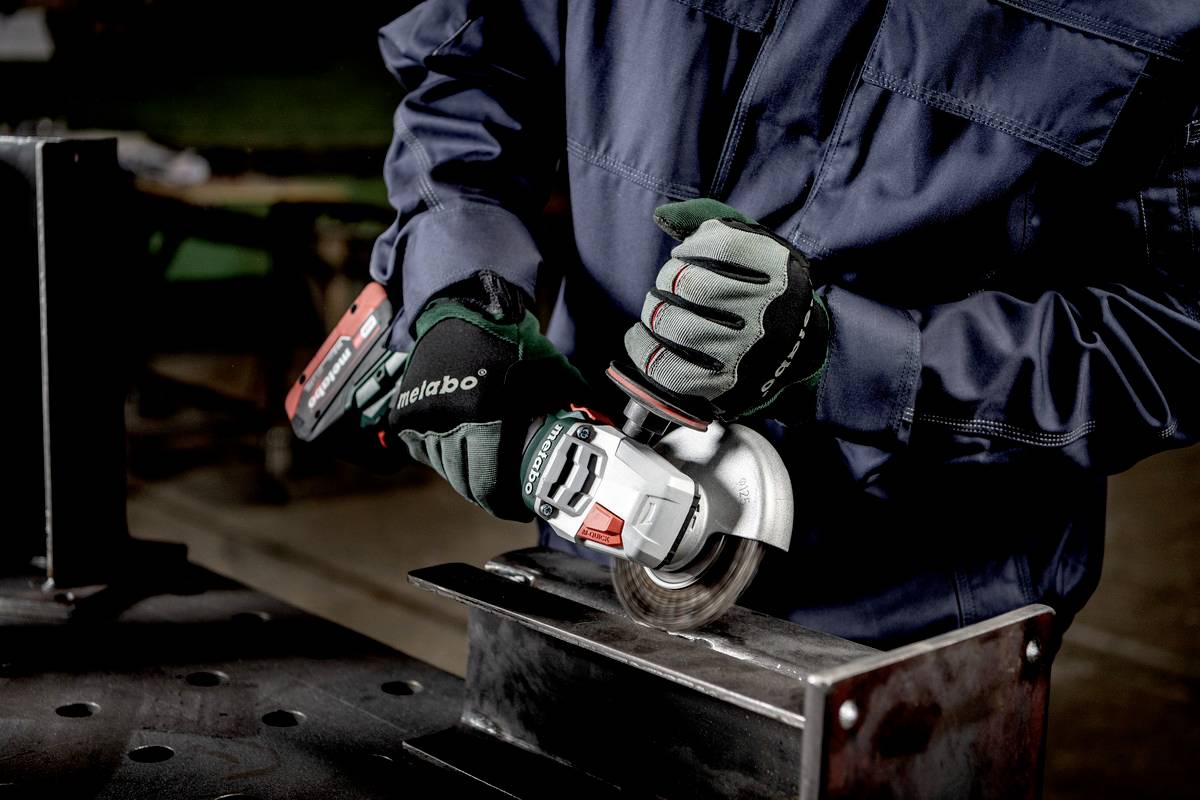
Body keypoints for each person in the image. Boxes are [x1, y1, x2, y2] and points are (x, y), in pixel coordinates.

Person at [367, 1, 1200, 648]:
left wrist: (858, 360)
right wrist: (457, 286)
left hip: (917, 610)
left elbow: (1175, 331)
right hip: (589, 532)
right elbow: (468, 72)